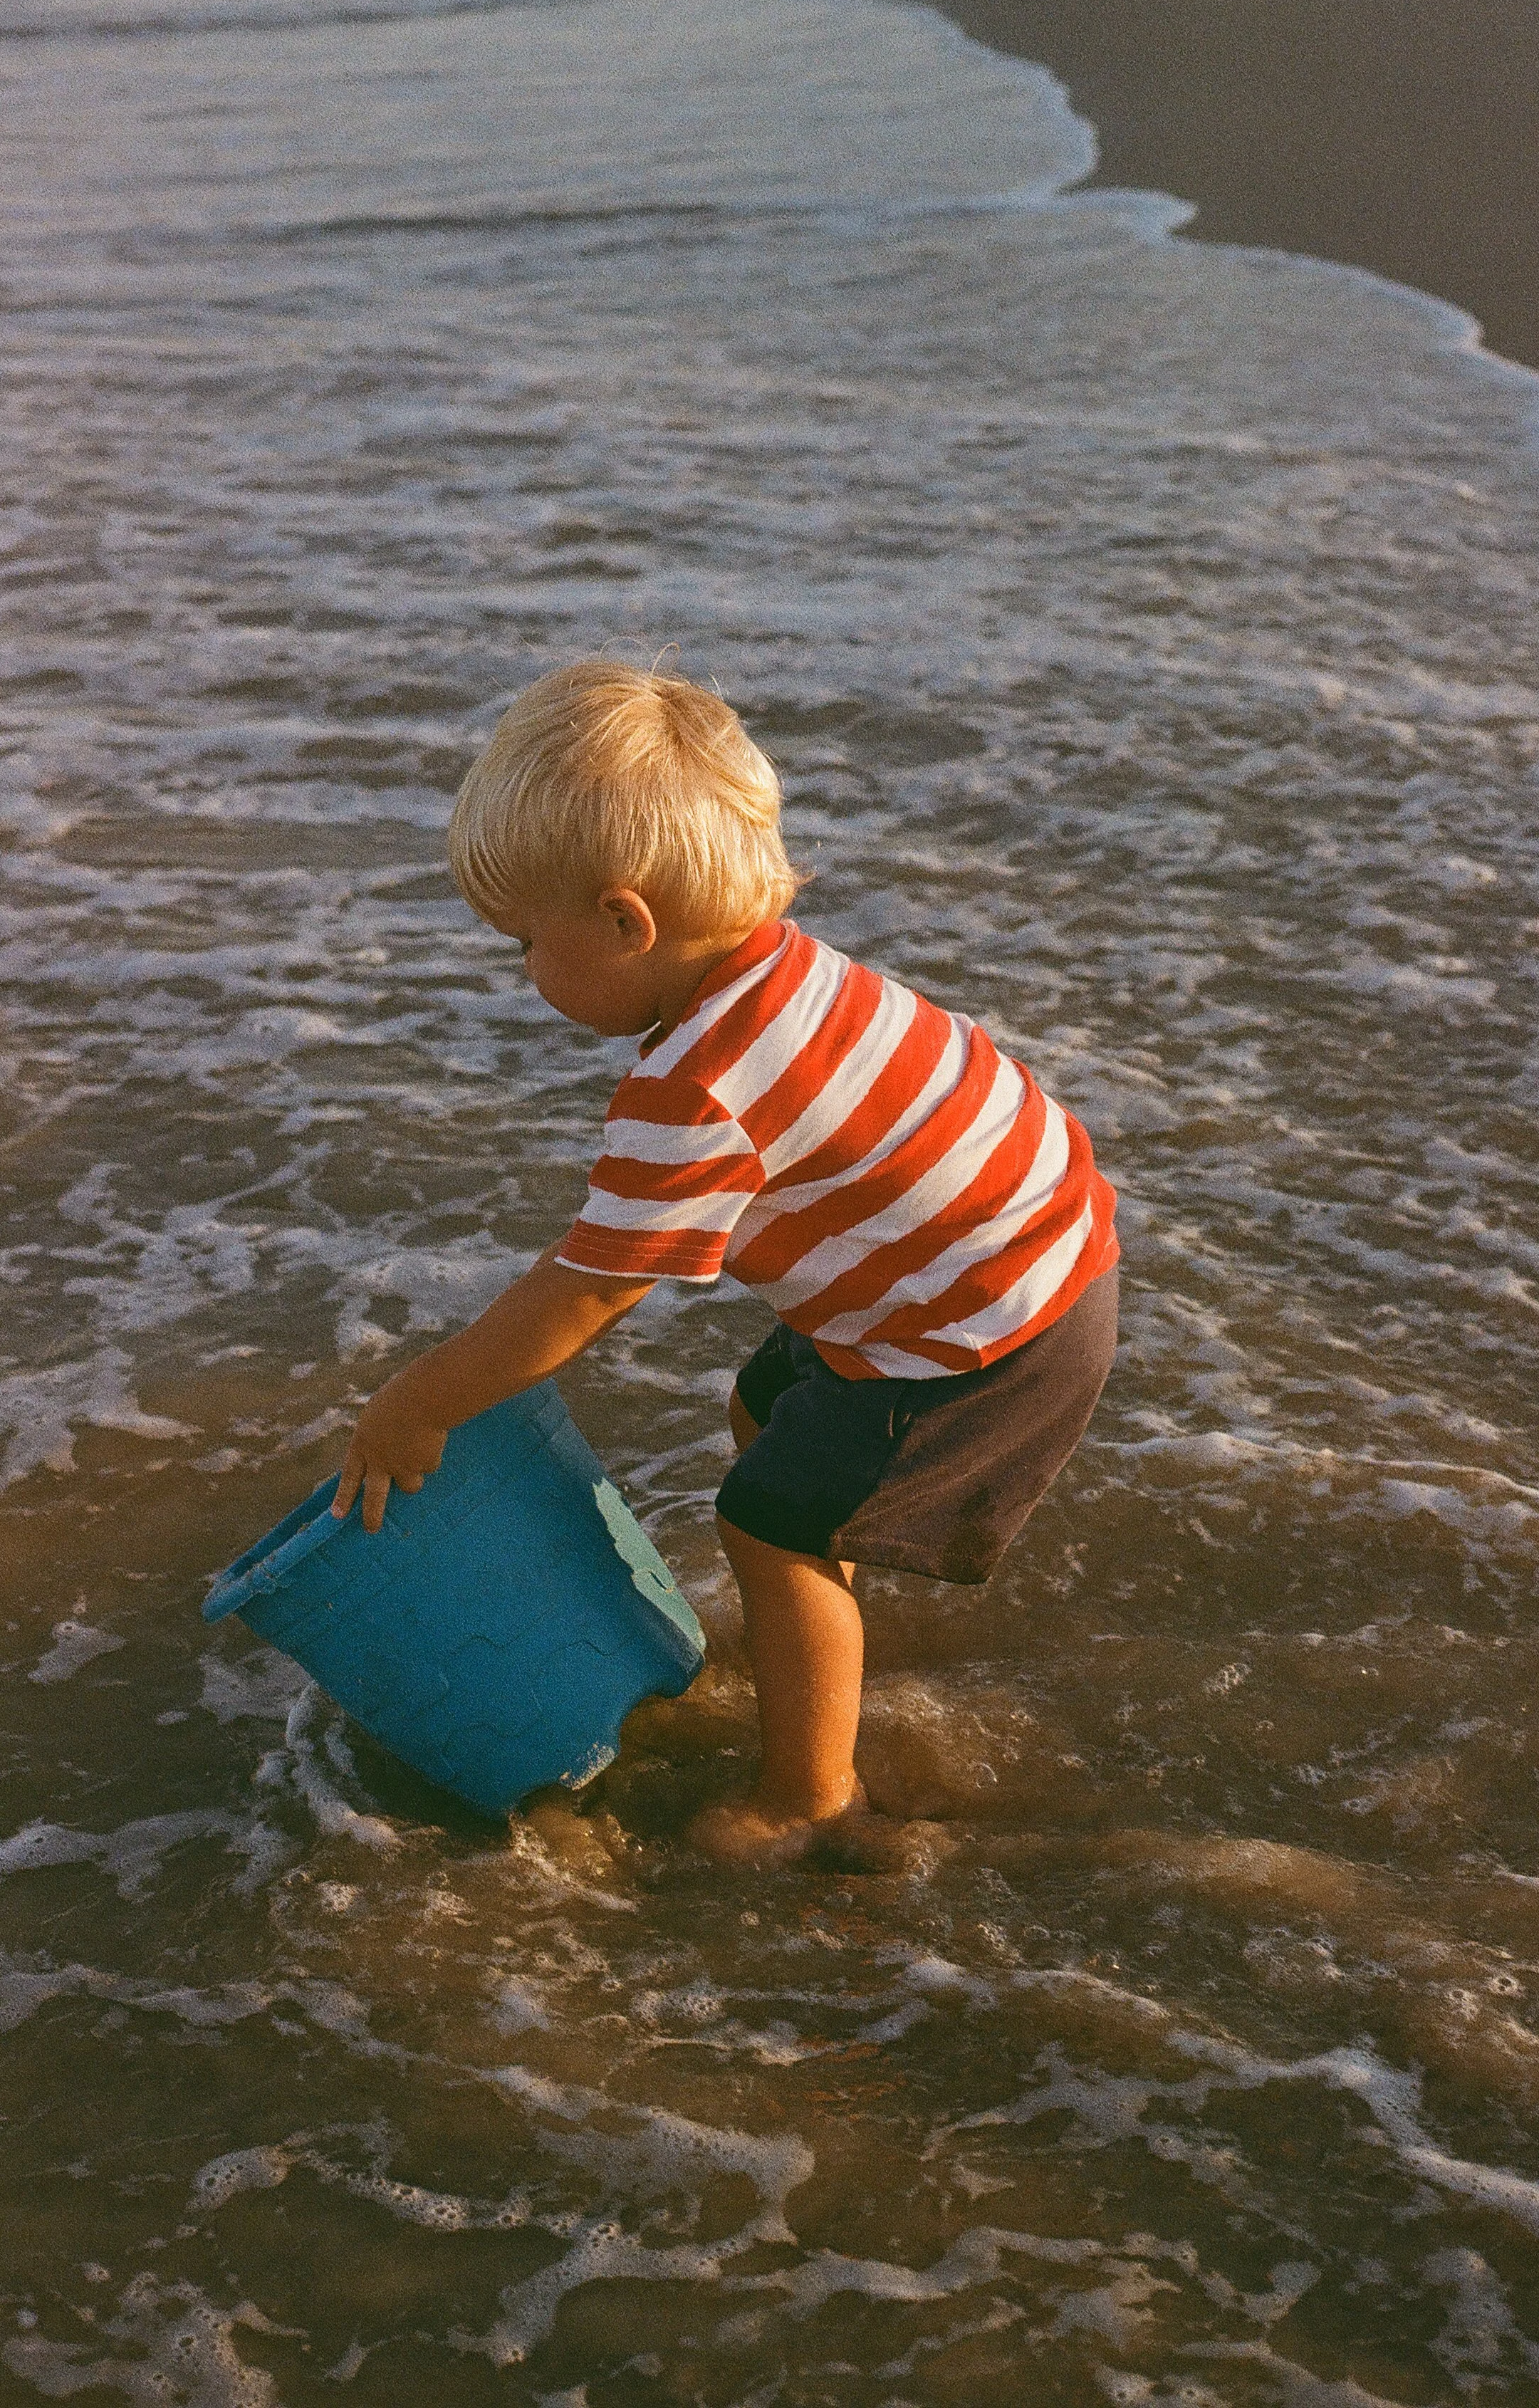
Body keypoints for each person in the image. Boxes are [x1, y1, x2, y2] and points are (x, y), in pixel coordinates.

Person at [331, 662, 1119, 1860]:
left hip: (980, 1324)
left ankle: (811, 1796)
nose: (519, 977)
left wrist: (422, 1401)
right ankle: (818, 1638)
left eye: (520, 946)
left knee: (768, 1526)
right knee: (767, 1414)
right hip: (1008, 1244)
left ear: (621, 920)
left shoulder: (695, 1087)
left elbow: (590, 1287)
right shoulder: (783, 972)